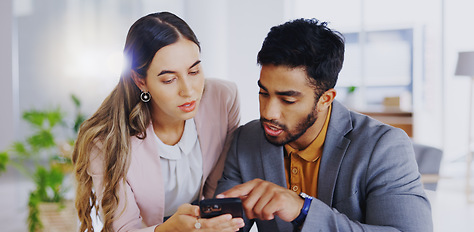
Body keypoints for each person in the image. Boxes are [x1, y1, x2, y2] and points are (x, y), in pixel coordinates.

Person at [215, 18, 433, 232]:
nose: (268, 112)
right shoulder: (246, 139)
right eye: (263, 93)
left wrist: (303, 211)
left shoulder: (384, 146)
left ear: (325, 99)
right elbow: (224, 222)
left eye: (288, 100)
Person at [73, 12, 244, 232]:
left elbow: (218, 188)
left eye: (194, 71)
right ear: (140, 81)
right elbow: (124, 229)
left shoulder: (223, 100)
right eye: (169, 79)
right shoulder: (107, 141)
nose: (189, 90)